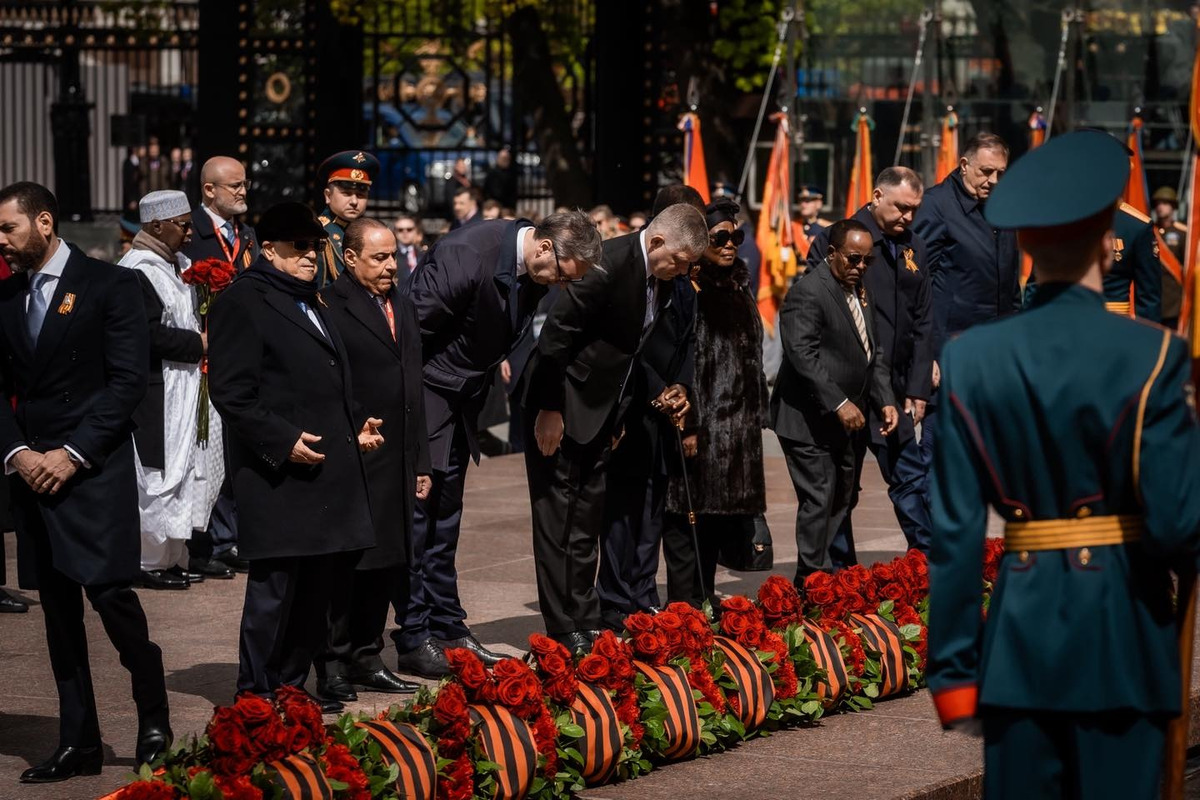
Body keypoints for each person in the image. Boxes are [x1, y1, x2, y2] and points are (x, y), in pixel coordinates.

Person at [927, 128, 1200, 799]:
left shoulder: (970, 359)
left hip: (1018, 651)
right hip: (1124, 641)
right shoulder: (1154, 357)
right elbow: (1175, 525)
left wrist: (955, 674)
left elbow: (956, 532)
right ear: (1110, 237)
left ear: (1022, 242)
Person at [0, 182, 171, 781]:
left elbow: (126, 383)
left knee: (112, 599)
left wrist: (71, 455)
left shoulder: (112, 285)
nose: (1, 241)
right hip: (32, 473)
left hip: (90, 470)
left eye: (8, 229)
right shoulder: (4, 297)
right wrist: (19, 452)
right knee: (58, 616)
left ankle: (153, 715)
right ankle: (80, 740)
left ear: (44, 222)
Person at [400, 208, 602, 677]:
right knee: (417, 519)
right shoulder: (468, 254)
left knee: (445, 517)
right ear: (546, 247)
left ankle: (448, 627)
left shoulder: (531, 266)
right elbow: (407, 335)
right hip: (426, 395)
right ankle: (413, 635)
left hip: (459, 398)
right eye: (560, 275)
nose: (558, 286)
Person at [208, 202, 378, 711]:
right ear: (269, 250)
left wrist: (355, 423)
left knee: (316, 594)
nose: (311, 255)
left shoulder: (315, 299)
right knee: (274, 592)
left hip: (327, 472)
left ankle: (289, 685)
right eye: (299, 247)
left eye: (316, 246)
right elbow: (232, 392)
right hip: (279, 473)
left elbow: (324, 378)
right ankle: (255, 692)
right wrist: (283, 442)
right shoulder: (245, 299)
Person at [521, 204, 708, 652]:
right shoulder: (607, 263)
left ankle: (585, 618)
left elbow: (628, 354)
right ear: (658, 241)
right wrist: (550, 409)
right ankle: (563, 627)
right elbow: (555, 339)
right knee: (557, 522)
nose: (682, 273)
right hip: (560, 407)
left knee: (586, 522)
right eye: (680, 262)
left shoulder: (660, 280)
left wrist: (618, 416)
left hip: (603, 414)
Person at [316, 218, 430, 700]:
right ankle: (333, 663)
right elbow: (328, 384)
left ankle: (367, 655)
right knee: (346, 567)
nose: (390, 266)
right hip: (356, 451)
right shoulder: (330, 305)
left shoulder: (400, 303)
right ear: (350, 257)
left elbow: (413, 386)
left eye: (392, 256)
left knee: (387, 562)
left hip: (397, 456)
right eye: (378, 257)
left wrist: (421, 461)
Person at [808, 167, 934, 555]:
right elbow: (816, 308)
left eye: (914, 209)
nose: (908, 218)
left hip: (893, 387)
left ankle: (931, 561)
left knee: (910, 476)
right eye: (901, 208)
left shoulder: (914, 245)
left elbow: (925, 320)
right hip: (846, 386)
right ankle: (839, 578)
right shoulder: (839, 239)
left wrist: (917, 387)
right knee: (842, 485)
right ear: (877, 196)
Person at [770, 219, 899, 582]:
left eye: (867, 262)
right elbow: (801, 354)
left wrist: (884, 399)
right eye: (854, 259)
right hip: (807, 419)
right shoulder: (808, 292)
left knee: (843, 496)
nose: (861, 267)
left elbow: (871, 351)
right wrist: (840, 403)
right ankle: (812, 582)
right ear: (831, 254)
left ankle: (816, 574)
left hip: (846, 422)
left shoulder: (859, 290)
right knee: (819, 497)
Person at [662, 197, 768, 608]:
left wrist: (757, 417)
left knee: (718, 529)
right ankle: (686, 609)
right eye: (720, 237)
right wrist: (690, 427)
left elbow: (750, 357)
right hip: (704, 431)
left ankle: (705, 602)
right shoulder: (690, 289)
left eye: (736, 236)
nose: (730, 245)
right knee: (691, 524)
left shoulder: (738, 286)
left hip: (737, 433)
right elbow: (688, 362)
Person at [119, 191, 226, 590]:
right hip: (159, 388)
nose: (188, 233)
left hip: (189, 384)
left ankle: (175, 557)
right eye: (182, 225)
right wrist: (197, 344)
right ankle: (148, 562)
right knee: (158, 476)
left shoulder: (179, 266)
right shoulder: (136, 270)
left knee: (187, 472)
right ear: (156, 225)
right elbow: (143, 335)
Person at [181, 156, 260, 579]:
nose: (243, 191)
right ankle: (201, 543)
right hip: (202, 359)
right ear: (209, 190)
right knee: (203, 455)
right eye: (235, 185)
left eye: (245, 184)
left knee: (232, 455)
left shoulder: (247, 234)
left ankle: (227, 537)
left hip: (238, 358)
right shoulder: (191, 231)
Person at [315, 150, 381, 287]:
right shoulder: (319, 233)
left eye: (361, 194)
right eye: (346, 193)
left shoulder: (371, 232)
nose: (354, 201)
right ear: (328, 196)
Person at [1104, 202, 1162, 322]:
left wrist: (1145, 337)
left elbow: (1148, 299)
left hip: (1114, 324)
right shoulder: (1063, 217)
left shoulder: (1136, 226)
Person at [1152, 186, 1186, 329]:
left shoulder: (1183, 233)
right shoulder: (1148, 231)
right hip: (1153, 296)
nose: (1160, 207)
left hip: (1174, 301)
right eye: (1158, 203)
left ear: (1173, 207)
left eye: (1165, 203)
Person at [791, 184, 832, 260]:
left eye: (807, 201)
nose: (803, 204)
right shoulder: (792, 226)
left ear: (818, 204)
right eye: (801, 200)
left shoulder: (827, 228)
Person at [393, 213, 425, 277]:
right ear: (395, 232)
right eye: (400, 230)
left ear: (416, 230)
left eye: (409, 229)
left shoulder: (424, 255)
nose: (405, 233)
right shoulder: (392, 256)